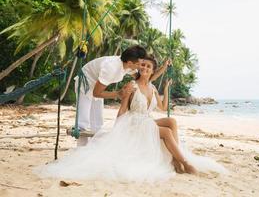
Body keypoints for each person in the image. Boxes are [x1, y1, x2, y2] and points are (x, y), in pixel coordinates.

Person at [35, 55, 228, 182]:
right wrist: (119, 126)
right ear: (138, 68)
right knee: (166, 132)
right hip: (134, 123)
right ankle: (183, 163)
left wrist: (167, 87)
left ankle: (175, 161)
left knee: (172, 122)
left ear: (152, 71)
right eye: (142, 65)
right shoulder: (132, 85)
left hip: (145, 120)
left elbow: (162, 107)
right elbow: (123, 109)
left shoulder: (151, 87)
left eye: (148, 66)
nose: (144, 67)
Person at [75, 45, 170, 146]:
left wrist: (164, 67)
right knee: (83, 122)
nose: (140, 67)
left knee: (97, 122)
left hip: (97, 84)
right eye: (139, 64)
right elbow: (96, 93)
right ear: (130, 63)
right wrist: (119, 93)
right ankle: (81, 149)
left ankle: (94, 148)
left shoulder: (128, 65)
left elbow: (147, 78)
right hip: (85, 83)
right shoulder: (111, 68)